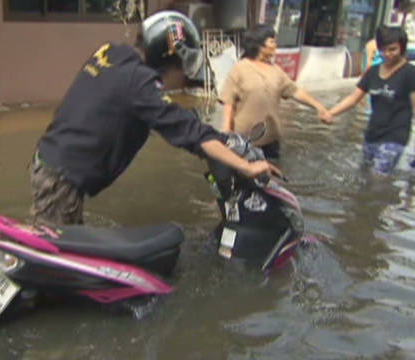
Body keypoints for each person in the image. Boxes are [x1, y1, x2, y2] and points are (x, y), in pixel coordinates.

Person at [30, 11, 281, 226]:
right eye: (181, 66)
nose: (182, 75)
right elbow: (192, 135)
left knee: (67, 244)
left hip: (50, 161)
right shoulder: (142, 86)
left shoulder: (112, 53)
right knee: (56, 257)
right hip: (61, 179)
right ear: (169, 58)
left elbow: (126, 108)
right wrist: (247, 167)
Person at [220, 24, 329, 159]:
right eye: (272, 41)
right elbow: (229, 103)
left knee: (273, 177)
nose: (275, 45)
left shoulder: (275, 70)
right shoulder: (239, 69)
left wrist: (318, 106)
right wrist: (226, 134)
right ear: (259, 44)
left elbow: (295, 91)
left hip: (271, 142)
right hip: (245, 142)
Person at [322, 26, 415, 175]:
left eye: (393, 49)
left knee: (379, 177)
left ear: (402, 48)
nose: (387, 54)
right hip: (372, 134)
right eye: (383, 50)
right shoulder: (372, 72)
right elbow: (353, 98)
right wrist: (330, 113)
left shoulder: (410, 73)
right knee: (364, 175)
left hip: (395, 137)